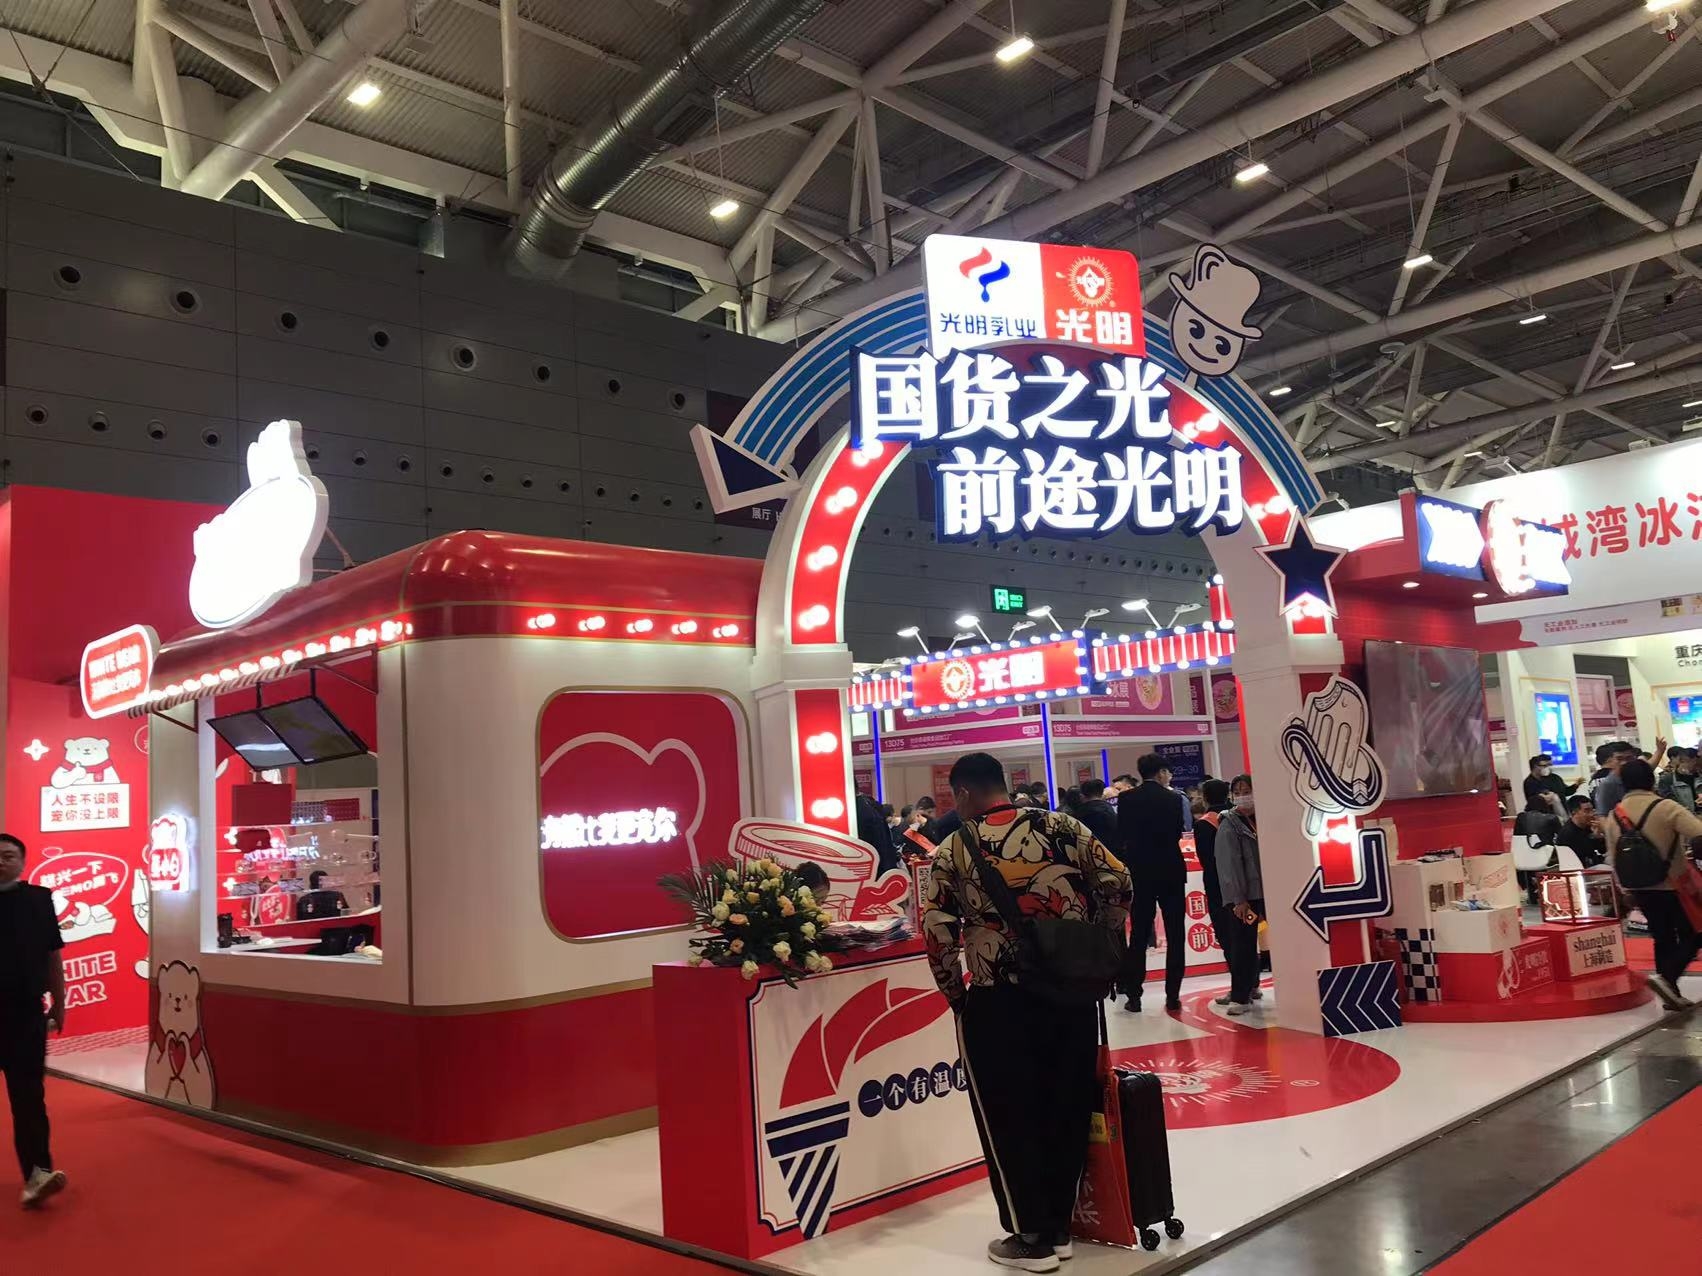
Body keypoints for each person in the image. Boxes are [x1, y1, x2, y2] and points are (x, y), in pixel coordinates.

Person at [921, 752, 1129, 1272]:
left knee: (1010, 1114)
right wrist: (1094, 942)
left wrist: (956, 995)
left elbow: (938, 931)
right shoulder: (1062, 826)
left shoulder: (954, 849)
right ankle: (1059, 1227)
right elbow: (1119, 880)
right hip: (1071, 992)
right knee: (1067, 1103)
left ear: (964, 793)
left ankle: (1031, 1237)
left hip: (999, 997)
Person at [0, 834, 68, 1208]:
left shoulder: (38, 900)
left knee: (28, 1099)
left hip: (25, 1015)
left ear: (22, 862)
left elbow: (53, 955)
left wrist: (60, 1002)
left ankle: (38, 1174)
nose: (1, 862)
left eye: (8, 855)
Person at [1604, 757, 1702, 1009]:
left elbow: (1613, 857)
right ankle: (1667, 979)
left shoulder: (1615, 815)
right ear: (1651, 780)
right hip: (1673, 885)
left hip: (1639, 887)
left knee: (1662, 936)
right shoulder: (1666, 807)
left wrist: (1624, 889)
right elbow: (1698, 832)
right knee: (1695, 933)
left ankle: (1670, 993)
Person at [1117, 753, 1188, 1013]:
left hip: (1141, 871)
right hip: (1170, 869)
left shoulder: (1126, 799)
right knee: (1175, 934)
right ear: (1160, 772)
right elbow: (1178, 831)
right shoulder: (1173, 798)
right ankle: (1173, 996)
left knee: (1139, 934)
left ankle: (1134, 995)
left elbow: (1122, 832)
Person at [1215, 776, 1265, 1014]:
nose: (1243, 795)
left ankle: (1252, 987)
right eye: (1238, 792)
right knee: (1243, 944)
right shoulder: (1230, 823)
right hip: (1247, 897)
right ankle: (1240, 996)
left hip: (1270, 892)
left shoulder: (1265, 816)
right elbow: (1229, 865)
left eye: (1247, 790)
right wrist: (1239, 899)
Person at [1193, 779, 1233, 999]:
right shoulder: (1238, 817)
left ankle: (1239, 986)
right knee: (1245, 934)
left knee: (1226, 934)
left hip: (1217, 884)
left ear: (1206, 798)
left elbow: (1205, 859)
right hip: (1241, 884)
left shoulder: (1203, 824)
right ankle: (1251, 982)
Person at [1555, 796, 1606, 868]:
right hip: (1578, 869)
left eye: (1592, 810)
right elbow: (1584, 853)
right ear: (1574, 812)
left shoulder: (1588, 826)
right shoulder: (1567, 833)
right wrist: (1594, 836)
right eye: (1587, 811)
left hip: (1592, 863)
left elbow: (1603, 850)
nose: (1591, 814)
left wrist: (1599, 835)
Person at [1074, 778, 1118, 850]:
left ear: (1082, 796)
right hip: (1111, 852)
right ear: (1102, 794)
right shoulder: (1112, 810)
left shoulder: (1080, 813)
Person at [1657, 747, 1701, 812]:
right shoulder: (1667, 780)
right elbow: (1667, 804)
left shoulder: (1699, 776)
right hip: (1682, 815)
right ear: (1682, 761)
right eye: (1695, 765)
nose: (1697, 768)